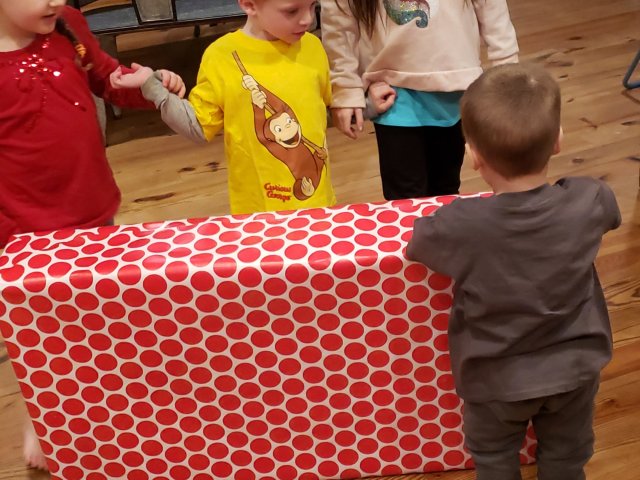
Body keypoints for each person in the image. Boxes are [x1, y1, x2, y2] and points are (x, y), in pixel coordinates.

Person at [406, 63, 621, 480]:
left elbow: (420, 240)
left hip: (495, 379)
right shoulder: (590, 200)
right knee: (566, 456)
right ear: (558, 141)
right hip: (575, 369)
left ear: (473, 156)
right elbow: (609, 210)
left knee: (494, 457)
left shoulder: (463, 226)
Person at [0, 0, 185, 469]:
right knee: (44, 339)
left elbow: (105, 76)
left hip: (94, 211)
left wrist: (149, 84)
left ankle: (113, 404)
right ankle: (43, 419)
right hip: (25, 238)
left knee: (104, 316)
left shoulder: (66, 23)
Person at [114, 0, 336, 215]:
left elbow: (319, 109)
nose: (308, 19)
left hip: (319, 206)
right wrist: (153, 87)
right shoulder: (221, 58)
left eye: (313, 6)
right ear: (249, 5)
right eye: (292, 11)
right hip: (258, 213)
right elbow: (197, 127)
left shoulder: (313, 47)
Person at [320, 0, 519, 200]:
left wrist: (507, 74)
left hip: (455, 91)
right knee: (405, 199)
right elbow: (339, 21)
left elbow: (493, 11)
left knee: (445, 190)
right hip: (392, 93)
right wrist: (346, 86)